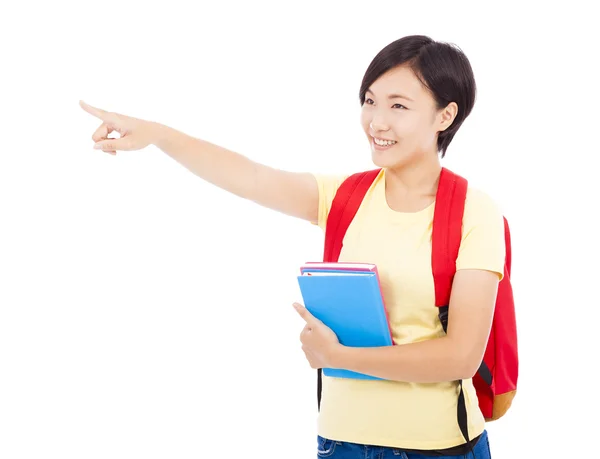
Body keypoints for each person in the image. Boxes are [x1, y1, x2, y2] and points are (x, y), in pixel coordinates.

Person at [81, 35, 503, 458]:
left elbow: (461, 356)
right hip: (340, 442)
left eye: (398, 106)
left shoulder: (472, 213)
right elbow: (251, 177)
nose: (377, 121)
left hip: (436, 446)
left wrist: (338, 356)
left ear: (446, 115)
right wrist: (158, 135)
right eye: (370, 101)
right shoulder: (346, 197)